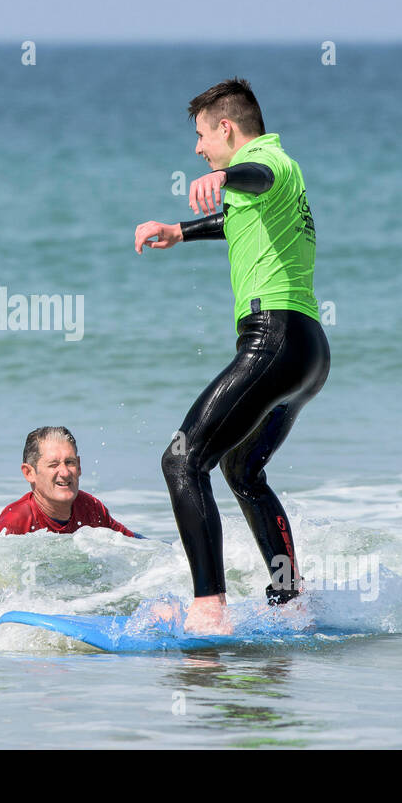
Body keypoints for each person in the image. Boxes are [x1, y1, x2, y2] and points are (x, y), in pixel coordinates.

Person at [133, 78, 330, 633]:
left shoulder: (269, 162)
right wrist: (180, 230)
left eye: (202, 136)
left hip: (275, 340)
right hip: (307, 352)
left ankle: (208, 606)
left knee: (181, 459)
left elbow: (255, 175)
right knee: (241, 469)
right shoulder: (272, 187)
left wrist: (223, 175)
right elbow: (238, 219)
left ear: (227, 128)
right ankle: (290, 603)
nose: (197, 148)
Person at [0, 427, 138, 537]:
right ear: (29, 473)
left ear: (79, 466)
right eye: (53, 464)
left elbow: (131, 544)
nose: (65, 472)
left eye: (70, 462)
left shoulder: (91, 508)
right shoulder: (16, 520)